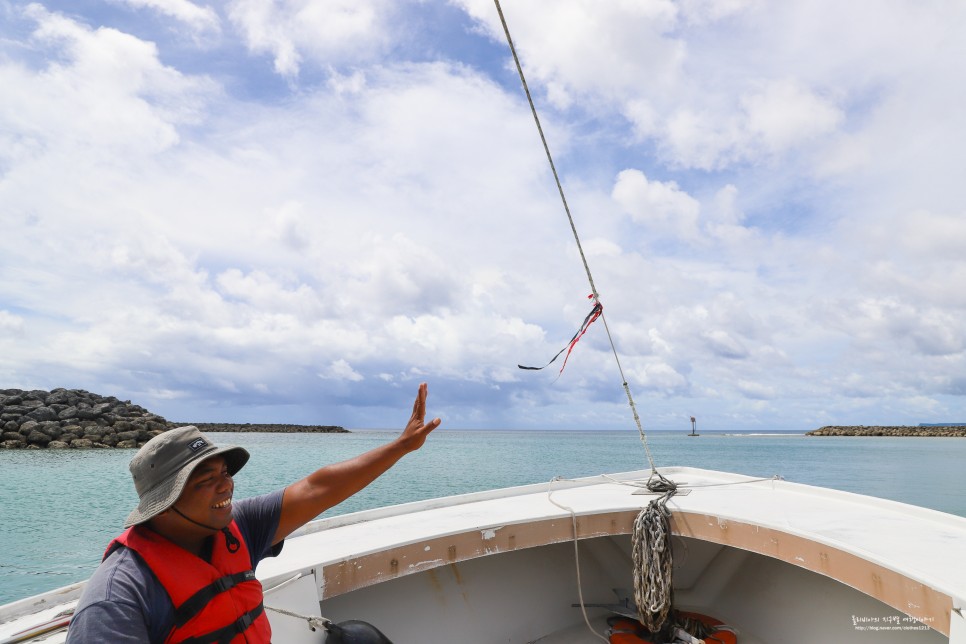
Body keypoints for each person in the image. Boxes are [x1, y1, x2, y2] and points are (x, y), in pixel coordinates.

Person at [66, 383, 441, 643]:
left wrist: (400, 447)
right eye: (204, 480)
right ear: (164, 502)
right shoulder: (118, 598)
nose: (226, 485)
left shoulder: (236, 527)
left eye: (224, 473)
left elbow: (317, 489)